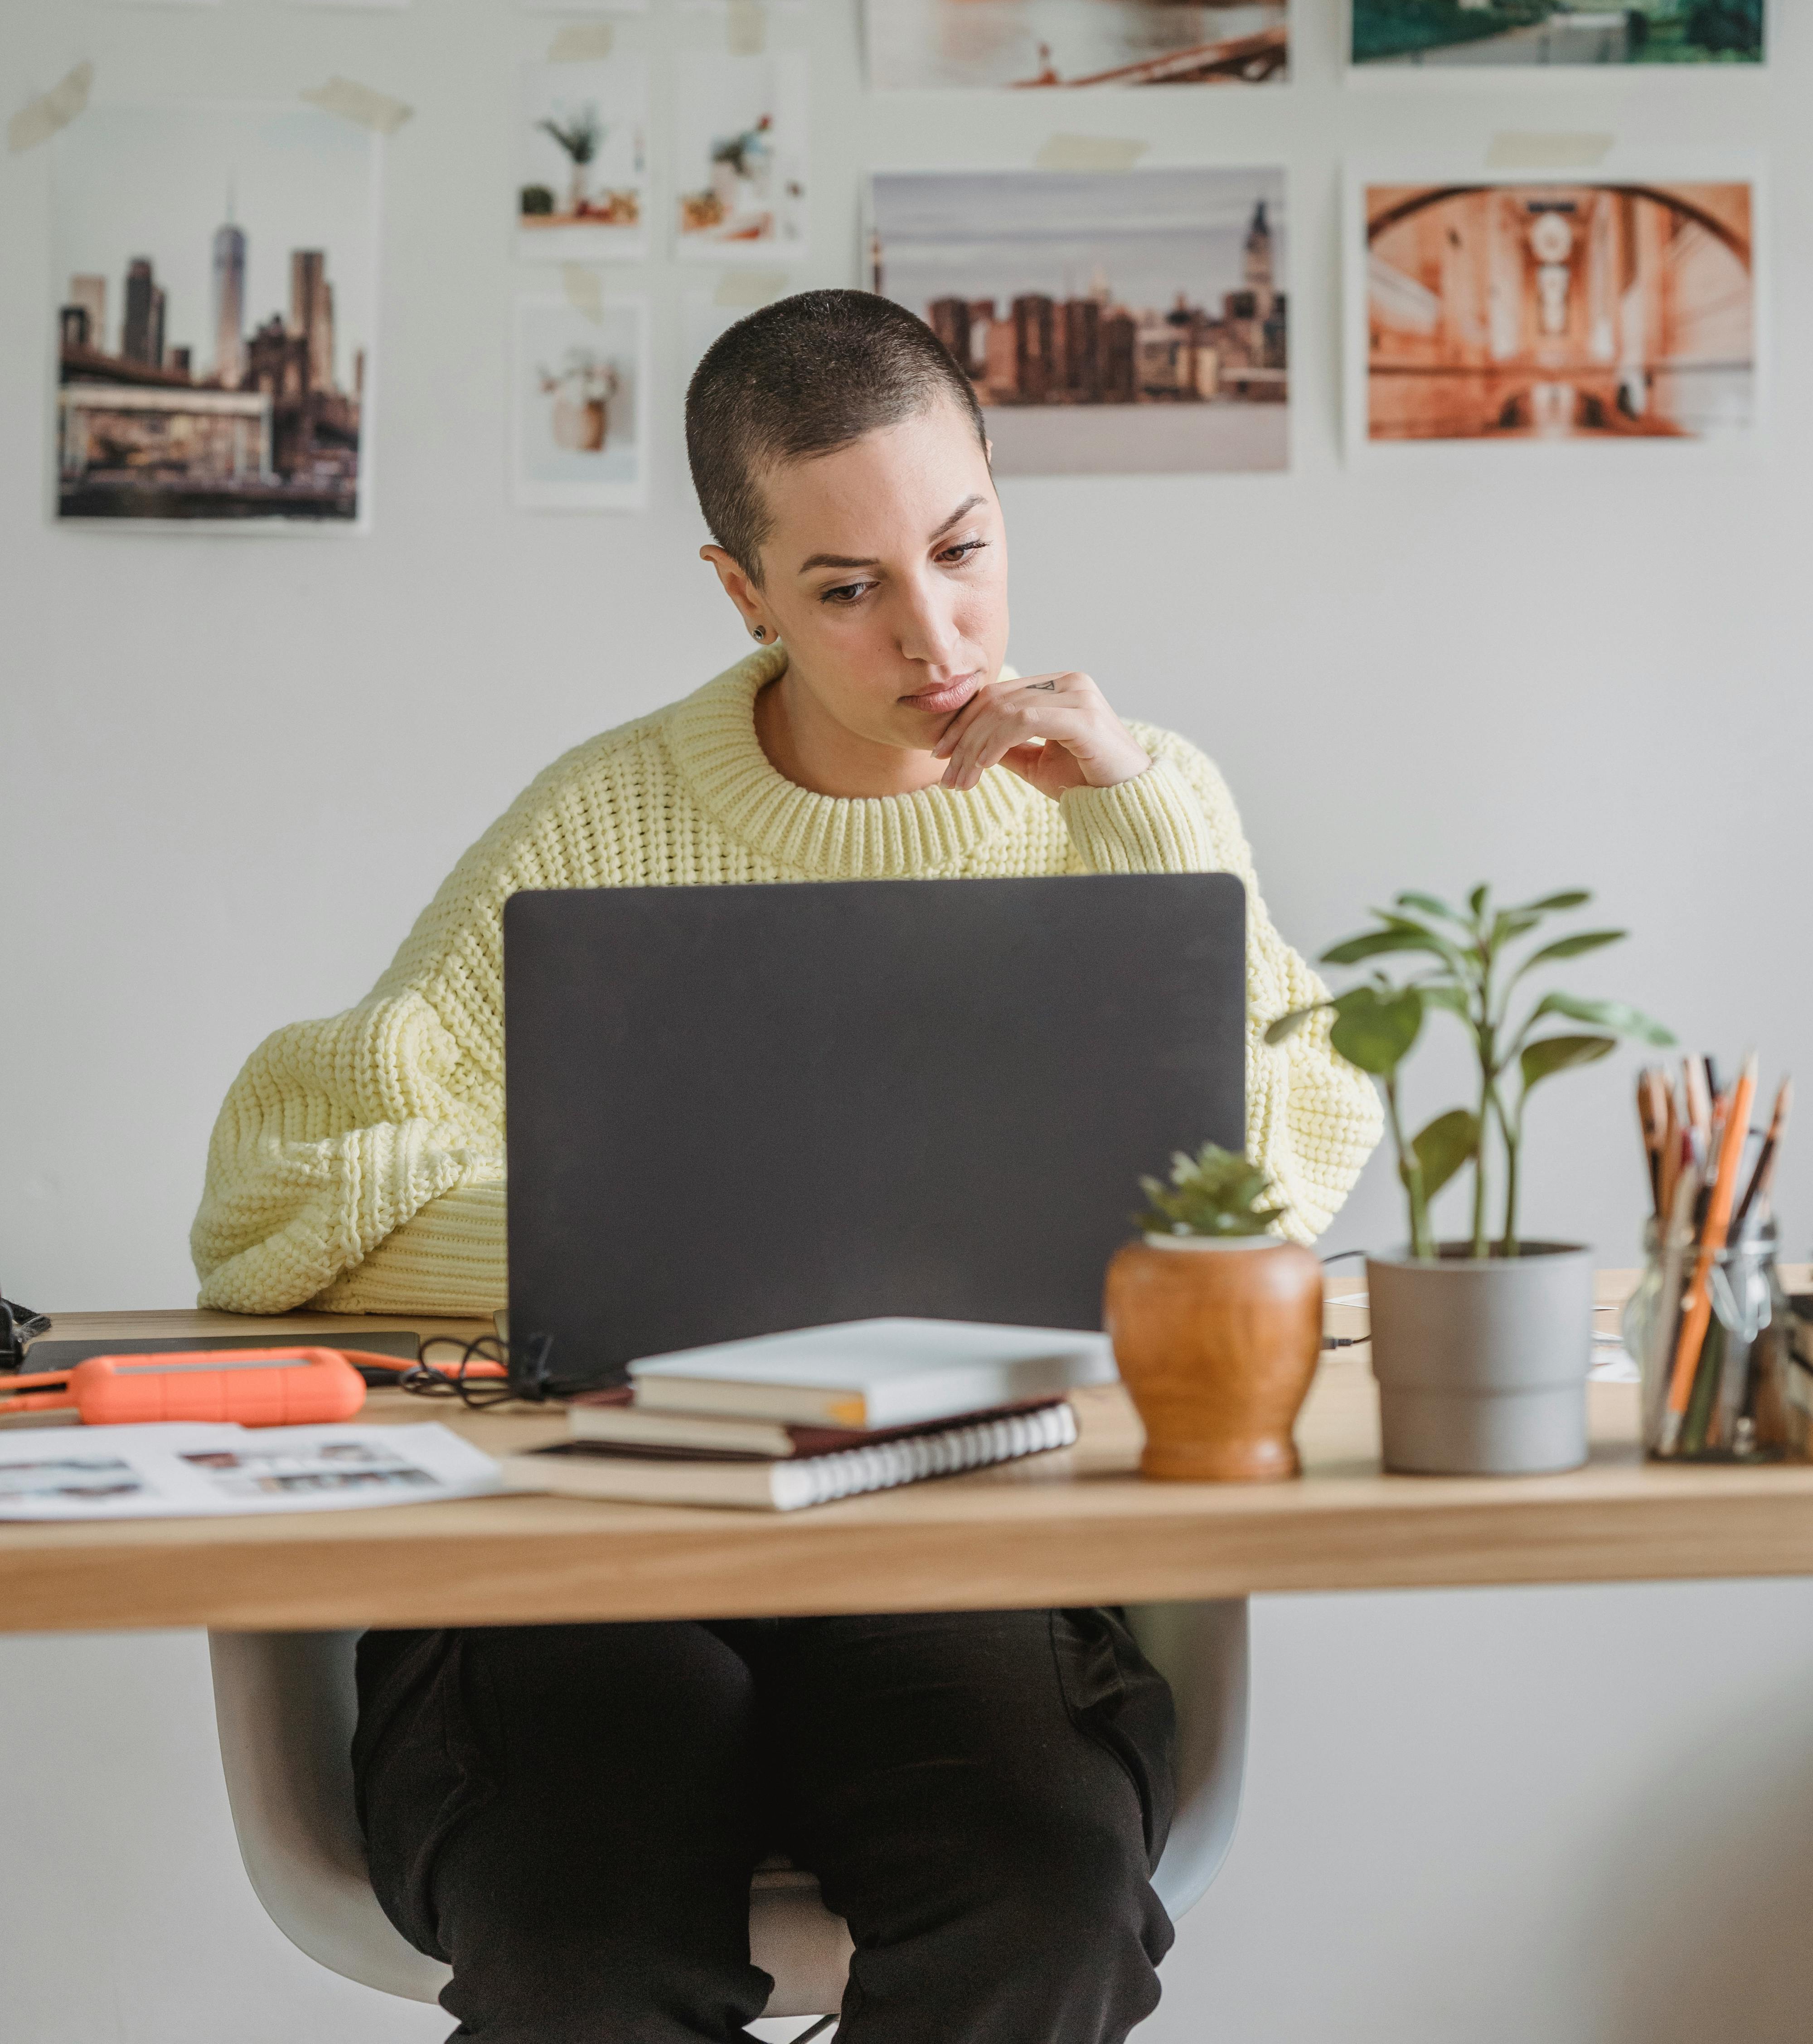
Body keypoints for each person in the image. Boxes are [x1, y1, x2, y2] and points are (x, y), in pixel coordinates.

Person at [192, 290, 1380, 2044]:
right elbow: (281, 1194)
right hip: (601, 1552)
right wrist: (642, 1251)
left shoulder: (1138, 798)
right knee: (580, 1935)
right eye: (847, 588)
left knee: (1043, 1902)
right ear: (741, 592)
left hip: (964, 1544)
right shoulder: (602, 822)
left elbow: (1277, 1183)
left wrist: (1139, 823)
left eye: (964, 550)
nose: (937, 635)